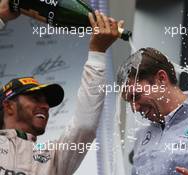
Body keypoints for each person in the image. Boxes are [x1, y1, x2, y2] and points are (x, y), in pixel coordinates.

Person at [0, 0, 121, 174]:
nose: (45, 106)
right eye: (35, 98)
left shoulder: (53, 156)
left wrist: (97, 53)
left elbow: (84, 126)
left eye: (47, 101)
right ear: (8, 105)